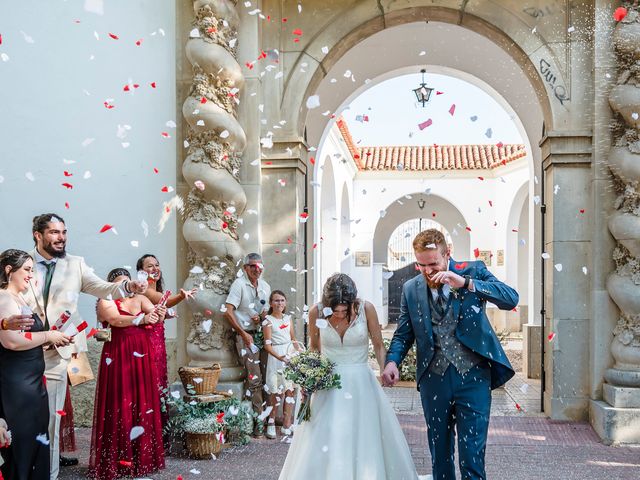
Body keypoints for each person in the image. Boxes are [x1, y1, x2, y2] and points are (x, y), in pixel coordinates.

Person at [382, 229, 519, 480]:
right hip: (434, 379)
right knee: (440, 454)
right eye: (420, 265)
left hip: (473, 378)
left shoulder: (473, 271)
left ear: (447, 254)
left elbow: (511, 299)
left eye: (433, 263)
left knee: (472, 455)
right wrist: (392, 361)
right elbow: (404, 333)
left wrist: (466, 283)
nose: (427, 271)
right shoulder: (411, 289)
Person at [22, 213, 148, 480]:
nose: (61, 237)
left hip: (58, 350)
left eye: (64, 232)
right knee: (19, 415)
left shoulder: (75, 264)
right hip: (23, 349)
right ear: (38, 235)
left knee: (52, 420)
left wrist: (127, 286)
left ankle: (49, 474)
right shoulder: (22, 263)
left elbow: (102, 288)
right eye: (55, 232)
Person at [279, 273, 421, 479]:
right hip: (328, 385)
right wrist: (309, 378)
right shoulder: (316, 312)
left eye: (344, 310)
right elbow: (314, 348)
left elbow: (379, 345)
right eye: (335, 310)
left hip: (361, 383)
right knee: (326, 435)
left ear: (352, 301)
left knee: (364, 434)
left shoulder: (367, 309)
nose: (339, 314)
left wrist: (385, 370)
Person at [0, 249, 72, 479]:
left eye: (33, 270)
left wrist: (48, 341)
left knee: (35, 439)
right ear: (9, 270)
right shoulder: (3, 298)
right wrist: (48, 336)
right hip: (18, 383)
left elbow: (26, 338)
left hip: (31, 380)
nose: (31, 275)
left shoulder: (20, 298)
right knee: (23, 442)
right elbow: (11, 341)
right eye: (27, 270)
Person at [88, 268, 166, 480]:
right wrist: (141, 319)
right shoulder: (106, 300)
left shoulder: (140, 298)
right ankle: (117, 460)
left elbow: (155, 314)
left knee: (141, 400)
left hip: (141, 354)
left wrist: (159, 314)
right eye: (121, 284)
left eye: (128, 283)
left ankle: (141, 457)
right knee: (119, 400)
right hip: (118, 352)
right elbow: (114, 320)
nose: (127, 288)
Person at [136, 254, 197, 430]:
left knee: (158, 379)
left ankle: (157, 426)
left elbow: (159, 308)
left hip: (157, 339)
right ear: (141, 271)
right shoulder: (145, 288)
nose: (155, 268)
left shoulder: (155, 288)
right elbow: (166, 301)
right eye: (149, 266)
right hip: (147, 341)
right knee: (151, 380)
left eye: (157, 264)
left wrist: (166, 315)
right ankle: (150, 426)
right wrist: (181, 296)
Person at [224, 253, 271, 437]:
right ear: (245, 268)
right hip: (246, 337)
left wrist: (261, 317)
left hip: (263, 335)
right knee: (255, 379)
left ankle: (268, 420)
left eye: (260, 266)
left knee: (268, 378)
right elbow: (228, 312)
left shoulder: (265, 286)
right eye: (253, 266)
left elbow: (266, 310)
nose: (257, 270)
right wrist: (243, 334)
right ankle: (258, 422)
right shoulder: (239, 284)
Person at [262, 290, 299, 439]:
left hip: (290, 355)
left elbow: (293, 338)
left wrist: (299, 354)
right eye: (276, 300)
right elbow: (267, 346)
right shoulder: (267, 320)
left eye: (282, 300)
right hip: (276, 357)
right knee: (276, 392)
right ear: (271, 303)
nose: (280, 303)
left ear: (286, 302)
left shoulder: (288, 318)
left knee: (290, 390)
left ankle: (286, 424)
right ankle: (271, 422)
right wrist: (281, 358)